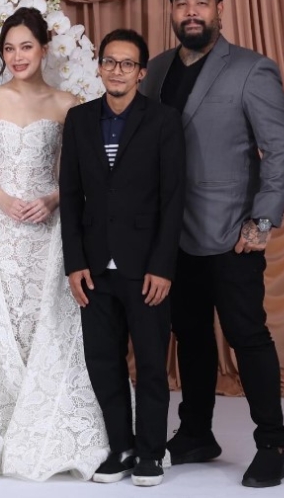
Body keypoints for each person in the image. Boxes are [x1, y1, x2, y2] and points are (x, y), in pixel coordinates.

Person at [140, 0, 284, 489]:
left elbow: (280, 148)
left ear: (220, 10)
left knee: (247, 335)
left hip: (233, 233)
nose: (191, 11)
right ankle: (196, 433)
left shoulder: (252, 69)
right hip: (172, 235)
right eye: (182, 3)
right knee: (189, 336)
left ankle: (272, 444)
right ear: (171, 12)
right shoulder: (156, 70)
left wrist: (262, 220)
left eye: (201, 3)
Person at [0, 8, 109, 481]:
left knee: (48, 324)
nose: (17, 56)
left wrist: (51, 199)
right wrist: (2, 200)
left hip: (47, 228)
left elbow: (76, 173)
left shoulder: (67, 104)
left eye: (26, 47)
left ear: (44, 49)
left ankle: (45, 426)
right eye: (9, 48)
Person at [59, 29, 185, 488]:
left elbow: (173, 198)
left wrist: (162, 266)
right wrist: (74, 262)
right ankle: (122, 447)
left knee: (150, 362)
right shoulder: (79, 120)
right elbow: (70, 195)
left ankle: (151, 451)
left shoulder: (163, 121)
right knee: (103, 361)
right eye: (110, 62)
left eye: (127, 64)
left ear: (141, 72)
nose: (117, 71)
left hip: (145, 267)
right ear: (99, 67)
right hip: (94, 267)